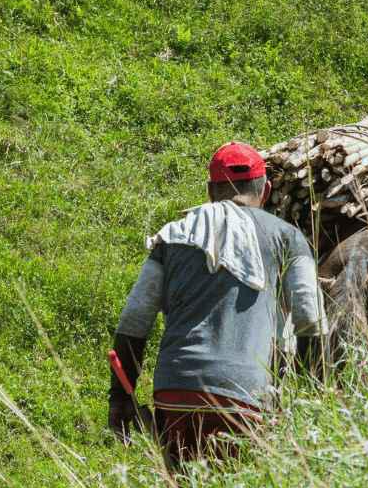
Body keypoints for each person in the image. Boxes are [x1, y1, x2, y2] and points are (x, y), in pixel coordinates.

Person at [107, 142, 327, 467]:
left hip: (175, 391)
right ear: (265, 191)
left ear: (210, 191)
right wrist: (310, 395)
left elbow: (135, 319)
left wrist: (121, 397)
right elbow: (309, 317)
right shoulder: (287, 237)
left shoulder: (172, 236)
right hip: (246, 396)